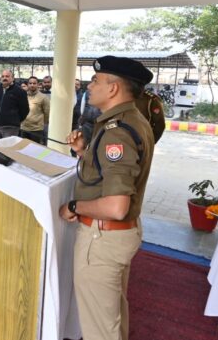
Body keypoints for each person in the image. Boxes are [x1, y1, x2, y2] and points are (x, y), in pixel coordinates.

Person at [59, 55, 156, 340]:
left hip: (103, 238)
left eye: (96, 81)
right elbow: (108, 172)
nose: (89, 86)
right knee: (111, 317)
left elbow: (116, 206)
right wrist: (83, 152)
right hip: (116, 235)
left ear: (113, 88)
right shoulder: (128, 121)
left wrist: (75, 206)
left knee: (101, 328)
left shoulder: (118, 132)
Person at [0, 69, 29, 138]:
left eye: (7, 76)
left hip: (11, 128)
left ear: (12, 78)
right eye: (3, 76)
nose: (4, 78)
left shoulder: (20, 91)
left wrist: (15, 120)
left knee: (8, 148)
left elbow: (25, 110)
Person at [20, 76, 50, 144]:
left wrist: (40, 123)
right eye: (30, 83)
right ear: (27, 84)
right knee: (23, 149)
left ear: (38, 84)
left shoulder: (43, 97)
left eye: (34, 83)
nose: (32, 85)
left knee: (35, 150)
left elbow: (47, 113)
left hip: (36, 129)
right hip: (24, 128)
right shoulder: (23, 96)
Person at [79, 75, 102, 144]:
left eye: (96, 82)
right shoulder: (86, 93)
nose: (89, 86)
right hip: (87, 122)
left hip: (99, 122)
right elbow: (82, 107)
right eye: (93, 81)